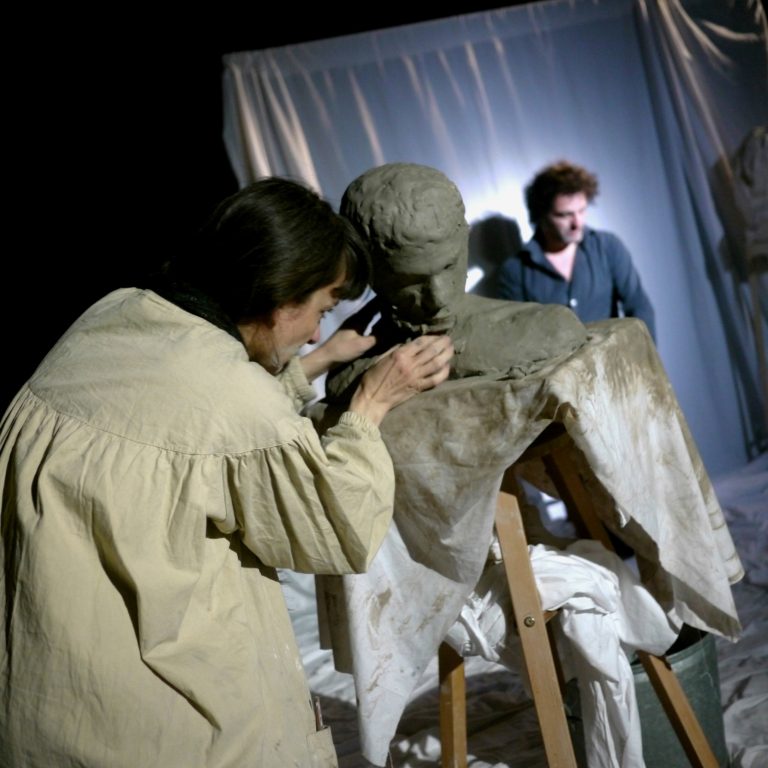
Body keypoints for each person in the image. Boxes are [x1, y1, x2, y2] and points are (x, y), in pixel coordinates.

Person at [0, 177, 454, 768]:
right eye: (318, 310)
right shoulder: (233, 398)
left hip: (47, 706)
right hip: (162, 730)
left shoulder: (115, 315)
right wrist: (370, 404)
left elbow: (183, 417)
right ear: (280, 295)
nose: (317, 330)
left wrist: (313, 362)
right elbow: (338, 527)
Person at [324, 161, 588, 403]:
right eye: (411, 281)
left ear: (465, 240)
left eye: (449, 266)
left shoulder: (544, 328)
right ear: (371, 276)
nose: (438, 297)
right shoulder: (351, 373)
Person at [494, 160, 657, 341]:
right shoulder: (515, 271)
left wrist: (643, 361)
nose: (577, 223)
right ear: (541, 215)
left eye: (582, 211)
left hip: (615, 364)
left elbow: (639, 306)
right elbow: (518, 339)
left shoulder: (607, 246)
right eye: (565, 215)